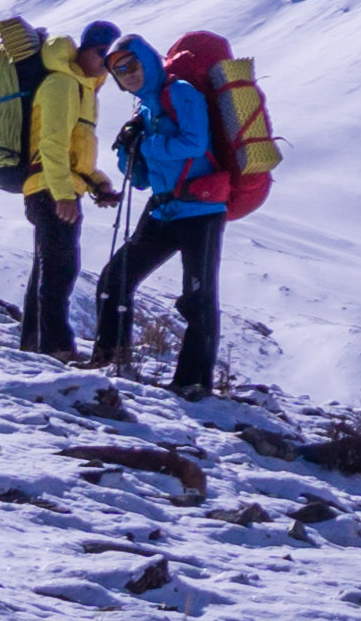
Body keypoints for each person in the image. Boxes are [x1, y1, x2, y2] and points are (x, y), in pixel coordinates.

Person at [90, 25, 279, 397]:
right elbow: (141, 179)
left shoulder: (181, 92)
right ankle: (110, 360)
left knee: (198, 297)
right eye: (119, 71)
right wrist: (128, 150)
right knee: (115, 279)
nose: (128, 75)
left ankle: (193, 383)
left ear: (147, 61)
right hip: (164, 209)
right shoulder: (145, 108)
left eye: (131, 65)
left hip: (201, 209)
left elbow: (194, 143)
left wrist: (147, 144)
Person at [0, 12, 108, 355]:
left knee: (48, 268)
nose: (105, 61)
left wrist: (97, 184)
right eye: (100, 52)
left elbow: (75, 153)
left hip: (55, 186)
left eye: (110, 55)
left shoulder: (84, 90)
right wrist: (63, 195)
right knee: (60, 270)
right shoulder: (62, 84)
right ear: (83, 50)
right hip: (50, 189)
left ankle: (33, 345)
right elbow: (51, 145)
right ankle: (55, 349)